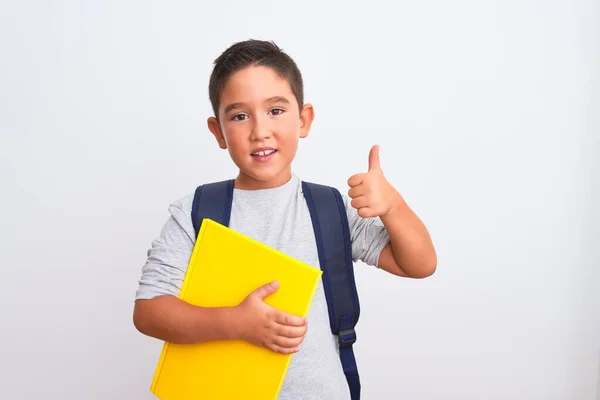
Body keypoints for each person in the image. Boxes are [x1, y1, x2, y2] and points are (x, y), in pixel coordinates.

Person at [133, 39, 437, 399]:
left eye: (275, 110)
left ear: (304, 120)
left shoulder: (330, 209)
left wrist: (393, 207)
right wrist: (236, 323)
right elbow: (149, 311)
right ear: (218, 132)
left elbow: (419, 264)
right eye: (240, 115)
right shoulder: (196, 212)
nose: (260, 130)